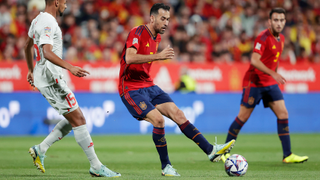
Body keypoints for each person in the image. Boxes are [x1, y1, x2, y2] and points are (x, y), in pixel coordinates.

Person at [118, 3, 235, 176]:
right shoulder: (137, 32)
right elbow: (129, 58)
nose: (166, 23)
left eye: (168, 19)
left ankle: (210, 150)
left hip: (148, 85)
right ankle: (166, 166)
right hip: (130, 88)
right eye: (162, 19)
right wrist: (158, 56)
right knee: (159, 121)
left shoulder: (157, 37)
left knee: (179, 114)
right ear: (152, 18)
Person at [24, 0, 120, 177]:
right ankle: (96, 166)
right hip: (51, 78)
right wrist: (70, 67)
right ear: (56, 2)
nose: (66, 6)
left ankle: (41, 149)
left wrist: (31, 70)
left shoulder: (37, 20)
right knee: (79, 119)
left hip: (46, 76)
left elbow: (27, 46)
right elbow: (46, 52)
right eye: (65, 2)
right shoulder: (48, 22)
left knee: (73, 118)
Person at [220, 8, 308, 164]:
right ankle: (224, 152)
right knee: (243, 117)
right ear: (270, 21)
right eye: (276, 20)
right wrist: (273, 73)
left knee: (283, 114)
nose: (279, 23)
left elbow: (275, 59)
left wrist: (275, 74)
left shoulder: (281, 39)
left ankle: (287, 155)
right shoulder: (263, 37)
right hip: (254, 82)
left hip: (270, 83)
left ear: (285, 22)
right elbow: (254, 60)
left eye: (281, 20)